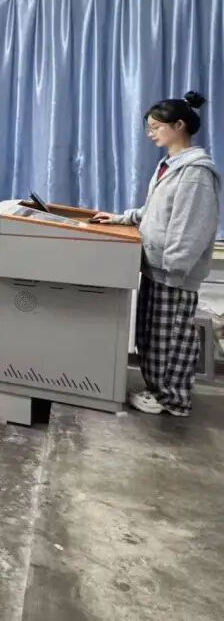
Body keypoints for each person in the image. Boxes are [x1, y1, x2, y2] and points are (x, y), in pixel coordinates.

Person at [93, 92, 221, 417]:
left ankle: (174, 400)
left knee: (173, 338)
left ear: (179, 125)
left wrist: (173, 268)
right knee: (153, 337)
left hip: (173, 273)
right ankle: (157, 390)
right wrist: (122, 218)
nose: (150, 134)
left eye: (156, 127)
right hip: (155, 266)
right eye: (148, 128)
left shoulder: (196, 172)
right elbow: (154, 211)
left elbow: (191, 227)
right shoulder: (169, 166)